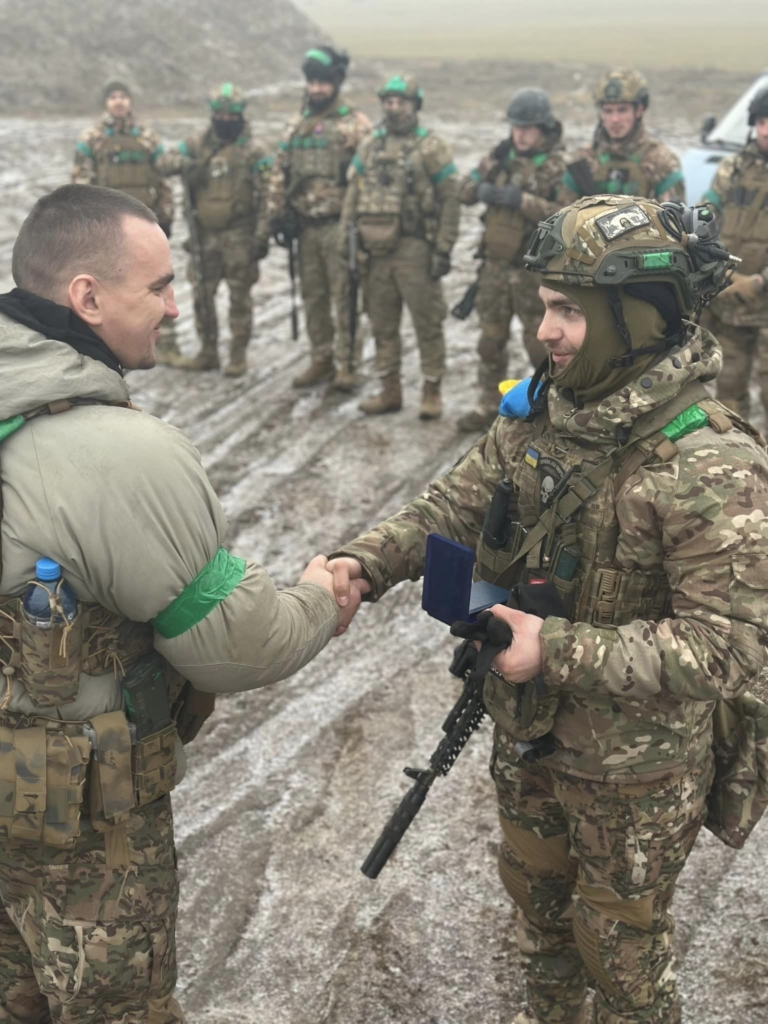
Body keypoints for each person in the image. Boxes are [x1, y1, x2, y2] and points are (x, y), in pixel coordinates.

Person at [325, 195, 768, 1023]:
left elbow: (728, 648)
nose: (546, 332)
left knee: (622, 961)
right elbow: (450, 507)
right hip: (530, 739)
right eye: (543, 308)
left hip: (633, 779)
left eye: (568, 310)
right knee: (541, 930)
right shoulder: (549, 407)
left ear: (635, 317)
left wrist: (554, 649)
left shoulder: (709, 459)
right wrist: (364, 562)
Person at [0, 185, 366, 1022]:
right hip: (79, 827)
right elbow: (234, 645)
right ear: (86, 297)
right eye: (158, 286)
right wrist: (314, 594)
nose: (174, 306)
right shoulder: (119, 454)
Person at [340, 75, 460, 419]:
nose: (394, 109)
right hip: (375, 252)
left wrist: (443, 248)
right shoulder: (370, 146)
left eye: (401, 102)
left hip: (415, 249)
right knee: (382, 325)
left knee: (427, 323)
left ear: (414, 105)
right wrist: (345, 236)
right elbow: (354, 192)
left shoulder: (431, 147)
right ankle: (389, 389)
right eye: (389, 102)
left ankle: (431, 390)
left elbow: (450, 199)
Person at [457, 88, 567, 433]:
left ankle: (553, 408)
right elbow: (462, 190)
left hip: (533, 271)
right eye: (516, 127)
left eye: (529, 128)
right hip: (494, 266)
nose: (520, 134)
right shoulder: (498, 158)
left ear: (543, 129)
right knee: (490, 341)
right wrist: (482, 189)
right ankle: (490, 404)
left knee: (542, 346)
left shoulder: (556, 167)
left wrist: (523, 201)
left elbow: (568, 215)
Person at [267, 47, 371, 391]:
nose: (316, 89)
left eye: (323, 83)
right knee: (313, 298)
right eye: (312, 82)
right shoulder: (296, 125)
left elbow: (368, 177)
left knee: (344, 297)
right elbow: (280, 170)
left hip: (340, 227)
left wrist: (364, 224)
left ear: (335, 84)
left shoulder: (354, 125)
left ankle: (348, 364)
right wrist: (276, 215)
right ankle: (321, 358)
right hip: (305, 229)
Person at [158, 84, 272, 376]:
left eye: (230, 114)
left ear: (240, 115)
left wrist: (262, 234)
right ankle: (208, 351)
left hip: (239, 234)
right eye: (219, 113)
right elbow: (164, 162)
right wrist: (186, 165)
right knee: (202, 296)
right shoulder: (198, 143)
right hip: (204, 235)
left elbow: (269, 195)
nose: (224, 119)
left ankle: (237, 355)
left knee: (239, 298)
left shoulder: (253, 149)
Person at [72, 79, 182, 367]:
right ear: (106, 103)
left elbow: (162, 181)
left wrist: (166, 216)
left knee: (157, 285)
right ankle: (109, 347)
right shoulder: (92, 138)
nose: (118, 101)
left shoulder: (146, 138)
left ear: (130, 101)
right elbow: (81, 184)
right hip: (107, 232)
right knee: (108, 289)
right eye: (113, 97)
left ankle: (166, 343)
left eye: (123, 96)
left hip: (145, 228)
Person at [700, 85, 768, 420]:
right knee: (729, 393)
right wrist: (721, 271)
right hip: (732, 302)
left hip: (761, 296)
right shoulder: (732, 169)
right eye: (762, 120)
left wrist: (758, 282)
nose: (767, 129)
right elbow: (705, 217)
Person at [560, 68, 684, 205]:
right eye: (608, 111)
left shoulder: (661, 162)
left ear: (639, 111)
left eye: (622, 110)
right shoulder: (584, 161)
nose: (615, 119)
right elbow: (562, 217)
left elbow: (674, 221)